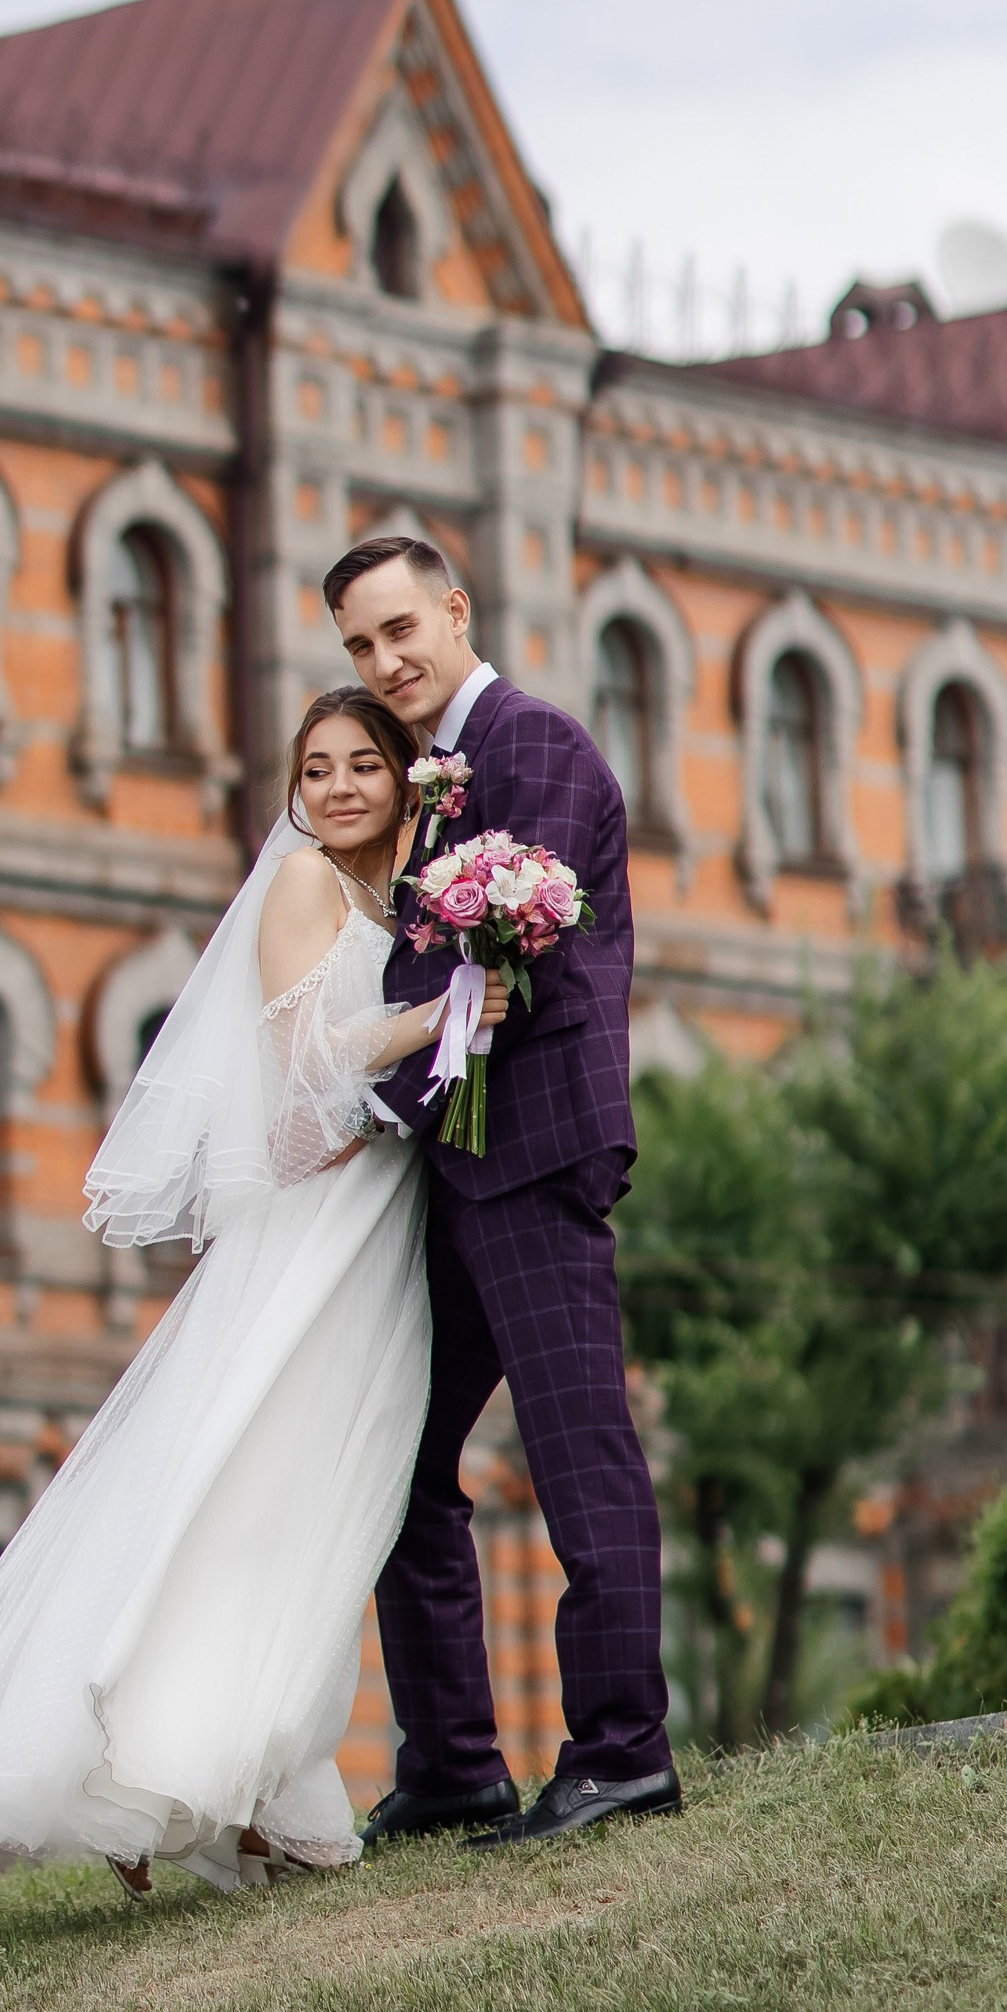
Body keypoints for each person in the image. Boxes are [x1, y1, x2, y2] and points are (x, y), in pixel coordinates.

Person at [0, 687, 505, 1895]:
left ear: (402, 779)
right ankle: (175, 1767)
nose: (337, 787)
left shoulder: (402, 902)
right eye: (314, 769)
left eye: (361, 765)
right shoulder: (303, 886)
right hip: (316, 1226)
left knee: (327, 1498)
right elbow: (302, 1058)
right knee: (259, 1482)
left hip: (378, 1220)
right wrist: (442, 1014)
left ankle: (255, 1781)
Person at [327, 533, 678, 1850]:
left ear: (454, 610)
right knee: (401, 1460)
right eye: (359, 646)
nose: (385, 662)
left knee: (578, 1449)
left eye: (400, 629)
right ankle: (454, 1765)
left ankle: (622, 1752)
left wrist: (372, 1105)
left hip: (528, 1149)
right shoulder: (444, 772)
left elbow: (500, 975)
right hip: (461, 1161)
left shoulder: (530, 745)